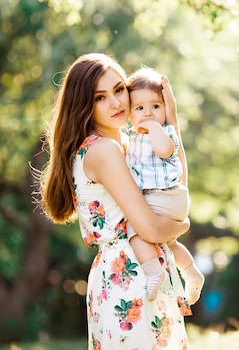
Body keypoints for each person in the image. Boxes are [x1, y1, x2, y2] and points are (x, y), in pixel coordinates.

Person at [39, 53, 191, 349]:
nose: (116, 103)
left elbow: (176, 187)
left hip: (140, 269)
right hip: (129, 275)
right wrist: (181, 225)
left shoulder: (126, 145)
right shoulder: (103, 151)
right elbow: (150, 228)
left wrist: (171, 123)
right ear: (84, 104)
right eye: (100, 97)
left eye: (119, 90)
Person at [125, 67, 205, 305]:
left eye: (155, 106)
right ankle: (192, 274)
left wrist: (155, 127)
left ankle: (154, 271)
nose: (148, 113)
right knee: (170, 242)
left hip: (166, 195)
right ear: (129, 114)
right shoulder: (135, 138)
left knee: (134, 229)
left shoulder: (164, 132)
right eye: (139, 108)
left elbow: (165, 150)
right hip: (166, 198)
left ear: (166, 108)